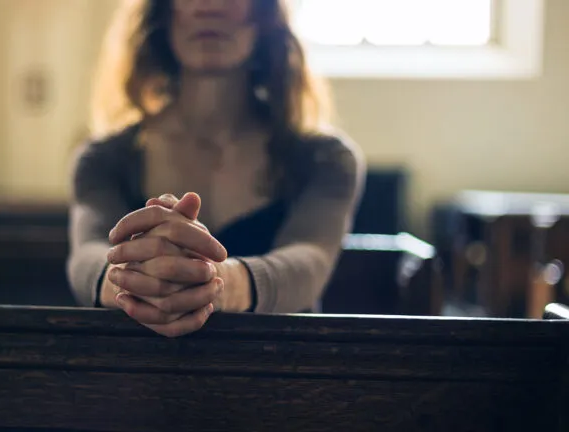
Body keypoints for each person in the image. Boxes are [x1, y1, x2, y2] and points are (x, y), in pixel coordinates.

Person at [68, 0, 365, 337]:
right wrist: (135, 284)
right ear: (163, 13)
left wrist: (216, 284)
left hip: (281, 373)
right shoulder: (103, 158)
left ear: (264, 15)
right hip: (138, 376)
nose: (208, 7)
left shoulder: (324, 158)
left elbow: (309, 262)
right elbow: (86, 259)